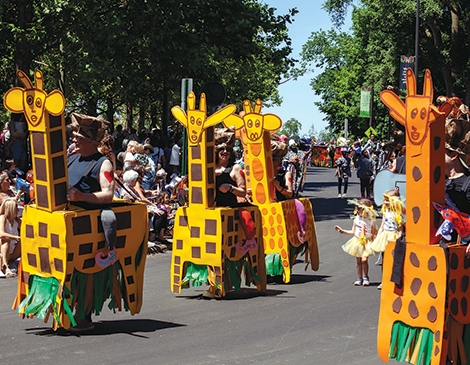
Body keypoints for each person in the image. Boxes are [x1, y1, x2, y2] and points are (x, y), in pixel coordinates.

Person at [66, 113, 116, 332]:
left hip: (89, 228)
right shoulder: (72, 158)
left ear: (90, 140)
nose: (74, 139)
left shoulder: (103, 163)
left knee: (85, 273)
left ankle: (83, 317)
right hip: (68, 223)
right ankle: (66, 313)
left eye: (77, 136)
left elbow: (108, 195)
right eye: (74, 135)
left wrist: (81, 197)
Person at [335, 198, 377, 286]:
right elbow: (353, 232)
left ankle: (365, 276)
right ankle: (359, 278)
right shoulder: (356, 219)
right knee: (358, 261)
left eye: (359, 209)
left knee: (364, 260)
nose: (357, 211)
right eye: (356, 208)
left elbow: (373, 233)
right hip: (357, 241)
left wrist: (376, 243)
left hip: (367, 242)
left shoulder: (371, 220)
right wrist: (342, 231)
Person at [370, 190, 404, 289]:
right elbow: (382, 226)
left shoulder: (398, 214)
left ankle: (392, 279)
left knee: (393, 259)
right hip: (385, 235)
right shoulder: (386, 212)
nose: (385, 203)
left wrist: (399, 238)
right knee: (384, 259)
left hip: (393, 235)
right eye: (385, 200)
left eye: (388, 201)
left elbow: (400, 229)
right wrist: (378, 236)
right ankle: (384, 280)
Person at [214, 127, 246, 207]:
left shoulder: (235, 168)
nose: (225, 151)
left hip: (229, 211)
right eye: (222, 149)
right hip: (211, 211)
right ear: (217, 151)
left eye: (228, 149)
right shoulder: (210, 167)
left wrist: (230, 188)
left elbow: (243, 192)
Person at [0, 199, 21, 278]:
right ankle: (5, 267)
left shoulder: (17, 221)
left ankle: (11, 262)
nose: (18, 210)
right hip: (3, 247)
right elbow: (1, 234)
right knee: (6, 239)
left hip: (12, 250)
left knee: (23, 241)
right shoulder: (3, 218)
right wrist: (16, 237)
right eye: (16, 208)